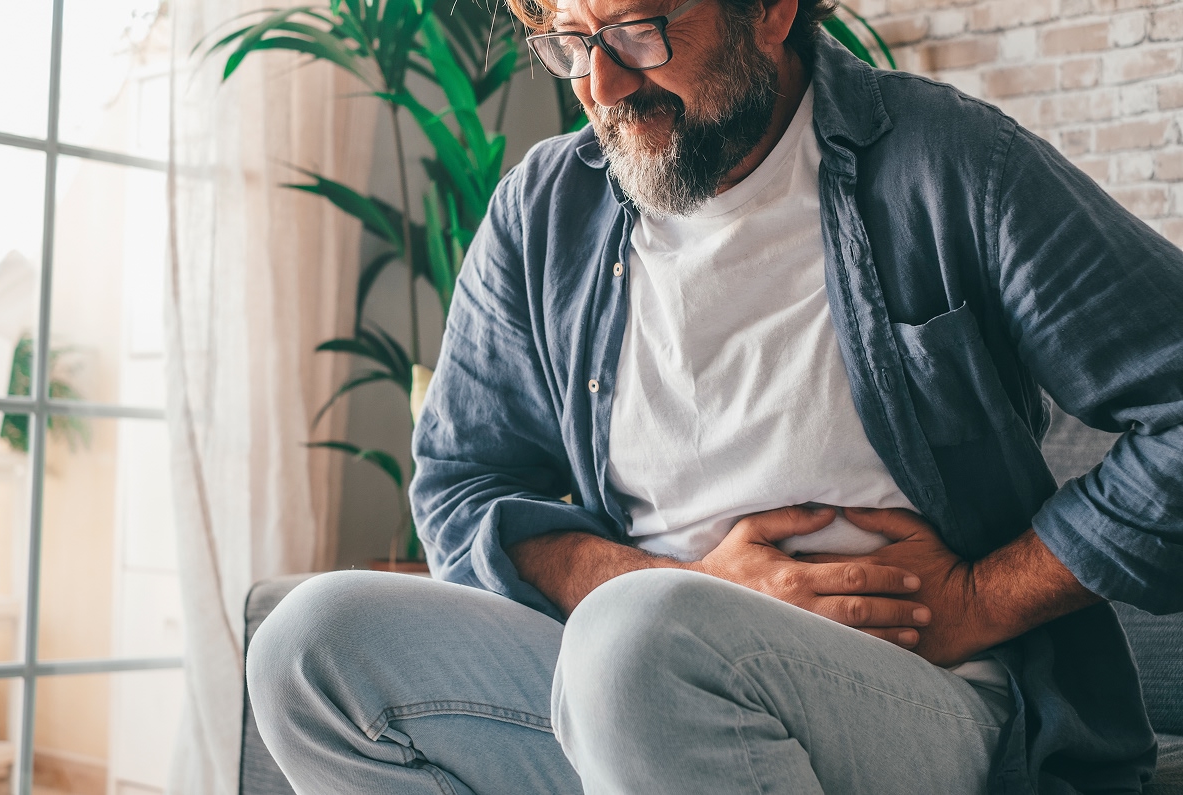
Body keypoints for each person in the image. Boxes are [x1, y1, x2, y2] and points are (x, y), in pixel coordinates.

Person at [246, 0, 1183, 791]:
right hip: (640, 681)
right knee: (311, 645)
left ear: (772, 11)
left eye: (640, 31)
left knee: (638, 644)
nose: (600, 87)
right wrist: (681, 586)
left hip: (926, 692)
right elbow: (462, 489)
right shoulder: (543, 209)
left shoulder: (952, 165)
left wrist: (979, 597)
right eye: (570, 40)